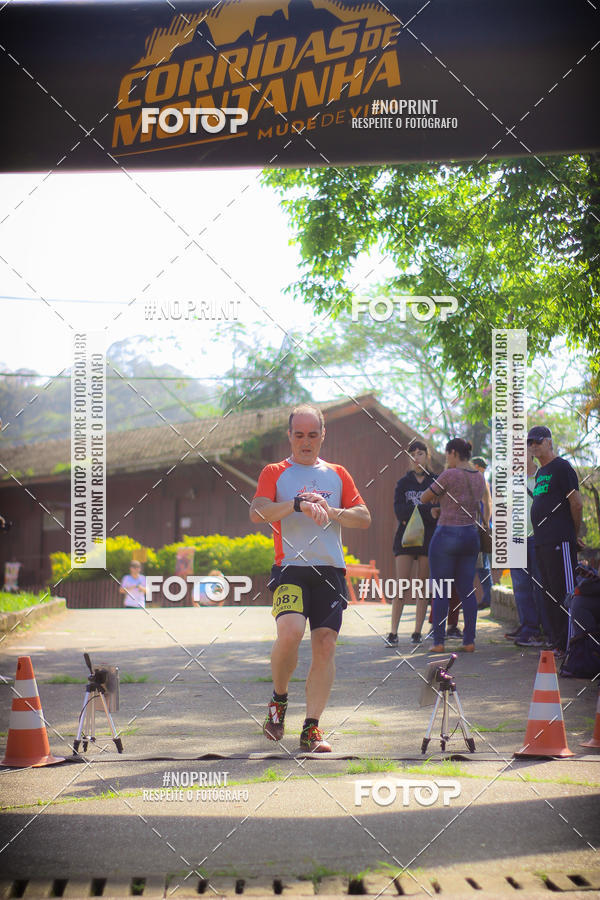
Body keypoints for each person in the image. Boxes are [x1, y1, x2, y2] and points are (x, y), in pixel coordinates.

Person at [249, 404, 371, 753]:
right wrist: (297, 504)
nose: (306, 441)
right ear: (289, 436)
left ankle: (311, 728)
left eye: (312, 435)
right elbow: (257, 511)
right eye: (299, 434)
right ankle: (279, 699)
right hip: (290, 568)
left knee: (325, 644)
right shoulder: (275, 472)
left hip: (330, 570)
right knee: (290, 633)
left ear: (322, 436)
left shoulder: (337, 474)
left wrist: (330, 511)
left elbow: (363, 517)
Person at [421, 438, 490, 653]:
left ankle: (438, 641)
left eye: (447, 453)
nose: (446, 458)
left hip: (447, 534)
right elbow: (484, 505)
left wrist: (440, 504)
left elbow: (425, 497)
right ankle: (469, 640)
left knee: (441, 589)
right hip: (470, 534)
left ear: (453, 453)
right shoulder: (479, 477)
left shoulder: (449, 474)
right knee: (467, 589)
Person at [529, 425, 584, 656]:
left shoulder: (562, 467)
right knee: (549, 592)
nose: (534, 445)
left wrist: (572, 533)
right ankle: (558, 642)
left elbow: (577, 503)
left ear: (549, 442)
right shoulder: (540, 473)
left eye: (538, 441)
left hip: (560, 541)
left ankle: (572, 643)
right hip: (542, 542)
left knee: (565, 591)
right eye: (530, 442)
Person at [388, 440, 438, 646]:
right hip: (405, 539)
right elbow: (400, 511)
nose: (416, 458)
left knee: (422, 586)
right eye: (412, 455)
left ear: (427, 456)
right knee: (401, 585)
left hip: (428, 539)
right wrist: (426, 511)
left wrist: (420, 513)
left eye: (420, 453)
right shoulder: (403, 483)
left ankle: (417, 632)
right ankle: (393, 632)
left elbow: (439, 512)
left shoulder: (435, 481)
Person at [508, 449, 551, 647]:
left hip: (538, 537)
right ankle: (529, 629)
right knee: (520, 586)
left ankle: (547, 630)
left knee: (540, 585)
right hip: (516, 538)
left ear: (531, 454)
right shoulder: (511, 480)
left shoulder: (543, 477)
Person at [471, 457, 493, 610]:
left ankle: (488, 598)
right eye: (481, 467)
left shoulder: (480, 481)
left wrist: (484, 524)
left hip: (477, 529)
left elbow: (488, 503)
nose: (483, 470)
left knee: (481, 566)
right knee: (480, 566)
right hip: (476, 528)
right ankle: (487, 598)